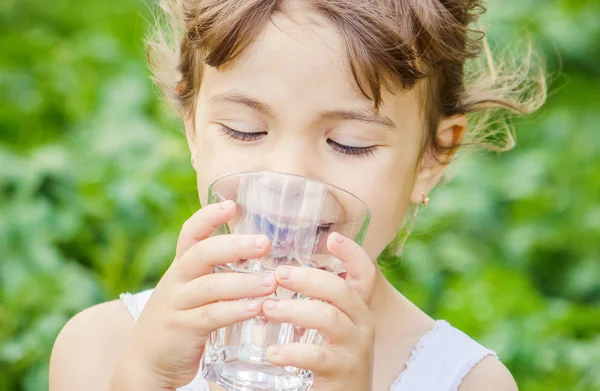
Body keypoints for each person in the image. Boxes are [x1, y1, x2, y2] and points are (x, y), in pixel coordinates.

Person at [49, 0, 545, 390]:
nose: (288, 182)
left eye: (349, 143)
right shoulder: (101, 347)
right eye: (244, 131)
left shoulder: (467, 382)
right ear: (192, 128)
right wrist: (142, 382)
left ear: (432, 157)